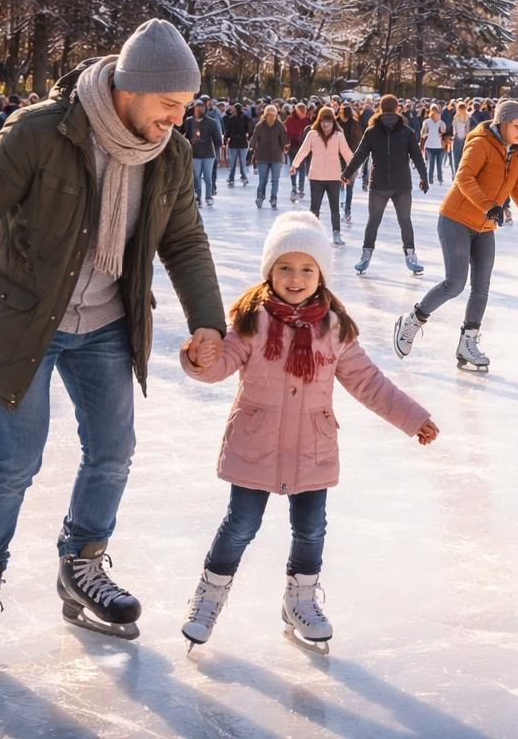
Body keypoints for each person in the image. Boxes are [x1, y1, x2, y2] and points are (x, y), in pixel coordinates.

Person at [0, 19, 226, 672]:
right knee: (15, 459)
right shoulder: (42, 130)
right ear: (130, 89)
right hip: (26, 319)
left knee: (114, 451)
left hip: (109, 322)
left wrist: (209, 322)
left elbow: (185, 242)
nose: (179, 118)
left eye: (184, 105)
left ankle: (82, 564)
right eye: (169, 104)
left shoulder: (165, 155)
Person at [176, 212, 439, 654]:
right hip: (255, 445)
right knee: (240, 525)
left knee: (311, 530)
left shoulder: (334, 329)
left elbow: (369, 383)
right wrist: (198, 358)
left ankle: (299, 601)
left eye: (306, 269)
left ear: (320, 275)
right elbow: (217, 365)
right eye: (284, 267)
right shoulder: (250, 321)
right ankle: (209, 596)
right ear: (269, 272)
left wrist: (412, 418)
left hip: (312, 450)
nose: (295, 279)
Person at [393, 101, 518, 371]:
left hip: (485, 227)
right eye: (517, 126)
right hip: (456, 220)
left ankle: (468, 342)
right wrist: (489, 206)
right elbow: (464, 179)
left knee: (482, 287)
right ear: (502, 123)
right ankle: (413, 321)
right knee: (454, 283)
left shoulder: (516, 154)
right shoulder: (480, 144)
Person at [341, 94, 429, 276]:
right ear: (397, 108)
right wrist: (424, 177)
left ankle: (365, 256)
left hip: (379, 185)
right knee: (405, 221)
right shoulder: (406, 131)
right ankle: (411, 256)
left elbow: (360, 155)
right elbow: (417, 156)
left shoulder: (373, 131)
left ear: (379, 108)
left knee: (373, 222)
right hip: (401, 185)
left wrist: (347, 173)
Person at [292, 108, 355, 246]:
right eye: (322, 120)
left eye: (328, 121)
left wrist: (353, 168)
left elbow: (346, 153)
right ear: (319, 120)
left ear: (333, 120)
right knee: (315, 206)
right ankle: (312, 233)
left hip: (333, 176)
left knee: (334, 207)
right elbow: (303, 151)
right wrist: (295, 164)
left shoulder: (338, 135)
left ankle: (336, 233)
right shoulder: (312, 134)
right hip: (316, 176)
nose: (325, 124)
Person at [247, 104, 290, 209]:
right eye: (269, 115)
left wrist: (286, 144)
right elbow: (253, 140)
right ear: (265, 115)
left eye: (273, 115)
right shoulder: (260, 126)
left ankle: (273, 198)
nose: (271, 118)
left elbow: (285, 140)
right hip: (262, 157)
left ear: (276, 115)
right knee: (263, 180)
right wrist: (252, 147)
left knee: (275, 180)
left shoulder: (280, 126)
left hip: (276, 157)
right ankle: (260, 197)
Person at [183, 101, 223, 207]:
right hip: (195, 154)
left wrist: (218, 154)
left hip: (208, 154)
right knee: (196, 177)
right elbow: (185, 136)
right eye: (197, 108)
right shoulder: (189, 121)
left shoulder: (211, 122)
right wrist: (189, 142)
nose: (199, 110)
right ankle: (197, 197)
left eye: (201, 108)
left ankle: (208, 197)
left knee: (207, 177)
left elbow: (217, 140)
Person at [284, 103, 312, 201]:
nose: (303, 115)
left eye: (304, 112)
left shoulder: (307, 120)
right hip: (293, 146)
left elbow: (310, 130)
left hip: (304, 146)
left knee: (302, 168)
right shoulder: (290, 119)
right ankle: (293, 187)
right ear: (297, 111)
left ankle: (301, 188)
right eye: (302, 113)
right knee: (294, 166)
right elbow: (287, 132)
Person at [223, 103, 252, 188]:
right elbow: (249, 130)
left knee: (234, 163)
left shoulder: (232, 118)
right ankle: (241, 177)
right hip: (241, 143)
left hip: (235, 143)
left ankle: (233, 179)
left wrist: (226, 139)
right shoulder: (244, 118)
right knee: (241, 162)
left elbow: (228, 131)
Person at [419, 106, 447, 185]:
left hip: (440, 147)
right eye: (436, 113)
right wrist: (428, 133)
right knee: (431, 164)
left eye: (438, 113)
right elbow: (422, 134)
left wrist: (442, 134)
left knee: (439, 165)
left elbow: (444, 135)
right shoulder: (427, 122)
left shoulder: (442, 123)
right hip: (429, 146)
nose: (438, 115)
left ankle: (440, 179)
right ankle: (430, 180)